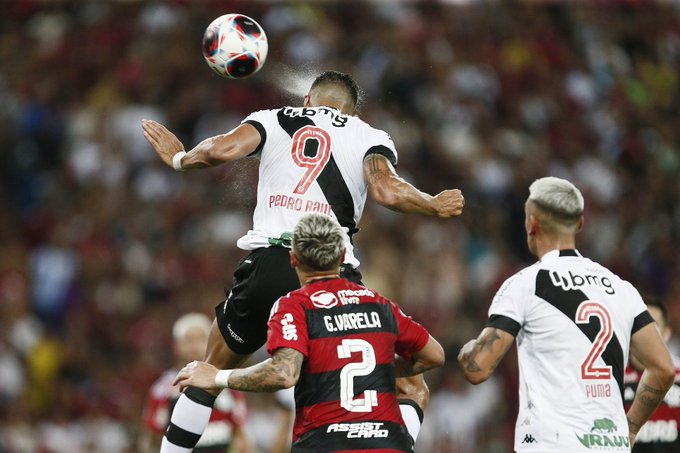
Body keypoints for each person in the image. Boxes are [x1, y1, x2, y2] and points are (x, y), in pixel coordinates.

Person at [142, 70, 464, 451]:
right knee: (410, 384)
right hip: (333, 275)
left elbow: (220, 150)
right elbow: (387, 191)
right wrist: (431, 204)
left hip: (270, 264)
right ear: (353, 110)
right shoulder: (369, 136)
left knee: (212, 370)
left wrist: (180, 159)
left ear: (307, 100)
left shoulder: (273, 117)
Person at [174, 213, 445, 452]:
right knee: (414, 389)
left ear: (293, 259)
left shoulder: (294, 305)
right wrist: (380, 370)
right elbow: (435, 356)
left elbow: (283, 373)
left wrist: (219, 376)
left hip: (324, 443)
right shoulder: (379, 304)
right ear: (342, 256)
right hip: (387, 446)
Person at [456, 176, 675, 452]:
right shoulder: (621, 288)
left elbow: (479, 368)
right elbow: (664, 369)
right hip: (611, 445)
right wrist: (629, 428)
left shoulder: (525, 284)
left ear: (532, 224)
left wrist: (466, 351)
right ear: (580, 224)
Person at [138, 313, 249, 453]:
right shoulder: (163, 390)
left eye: (201, 339)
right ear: (176, 346)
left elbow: (239, 436)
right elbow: (153, 438)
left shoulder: (226, 382)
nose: (195, 347)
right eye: (189, 340)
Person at [624, 299, 680, 452]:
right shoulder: (614, 375)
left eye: (653, 327)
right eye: (638, 327)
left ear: (667, 333)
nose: (645, 333)